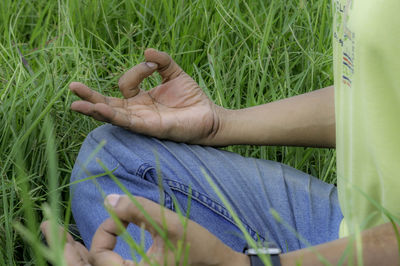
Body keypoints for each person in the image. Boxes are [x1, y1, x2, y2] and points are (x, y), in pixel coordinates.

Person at [41, 0, 400, 265]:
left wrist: (247, 264)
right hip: (360, 225)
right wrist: (220, 124)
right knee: (117, 156)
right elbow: (381, 94)